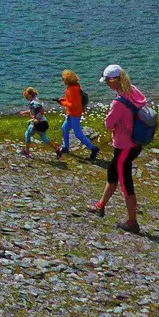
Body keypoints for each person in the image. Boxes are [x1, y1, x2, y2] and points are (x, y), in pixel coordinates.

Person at [88, 63, 146, 233]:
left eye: (107, 81)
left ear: (114, 80)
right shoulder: (134, 91)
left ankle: (132, 222)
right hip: (136, 143)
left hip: (124, 146)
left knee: (126, 182)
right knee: (112, 173)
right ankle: (100, 205)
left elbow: (109, 124)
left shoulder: (118, 102)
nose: (106, 84)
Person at [53, 70, 99, 160]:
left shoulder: (72, 89)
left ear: (67, 80)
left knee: (78, 134)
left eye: (63, 79)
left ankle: (94, 149)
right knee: (64, 128)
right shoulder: (75, 86)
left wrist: (62, 103)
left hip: (74, 114)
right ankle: (65, 147)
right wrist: (62, 100)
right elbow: (71, 100)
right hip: (71, 113)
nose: (62, 80)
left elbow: (73, 104)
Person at [19, 87, 51, 157]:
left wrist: (37, 120)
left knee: (27, 134)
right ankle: (57, 149)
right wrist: (24, 112)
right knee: (43, 138)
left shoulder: (33, 103)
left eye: (26, 96)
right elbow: (36, 111)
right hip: (43, 121)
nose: (26, 98)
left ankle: (27, 151)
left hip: (38, 123)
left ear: (29, 95)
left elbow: (42, 111)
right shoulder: (36, 99)